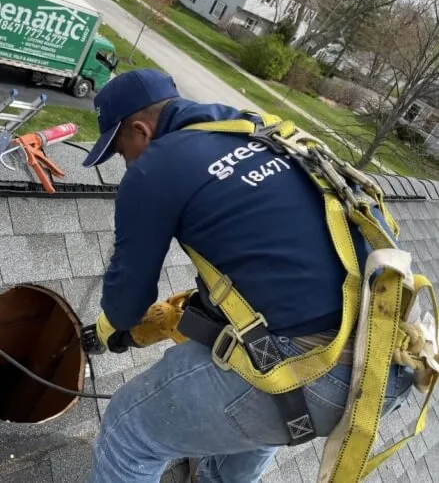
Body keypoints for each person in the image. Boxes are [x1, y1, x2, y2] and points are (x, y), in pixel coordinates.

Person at [83, 69, 414, 483]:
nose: (126, 161)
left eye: (119, 149)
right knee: (264, 390)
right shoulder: (259, 132)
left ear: (140, 130)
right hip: (392, 355)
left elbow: (127, 298)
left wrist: (111, 329)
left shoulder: (155, 167)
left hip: (319, 368)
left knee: (127, 432)